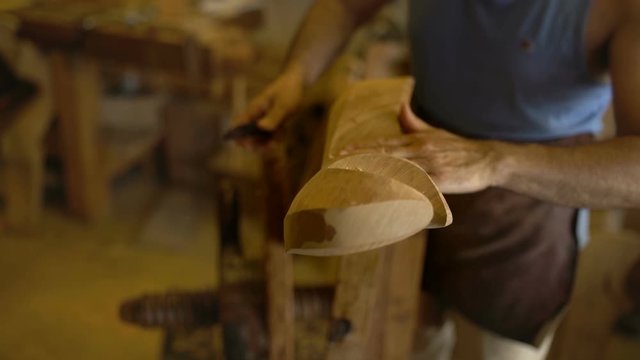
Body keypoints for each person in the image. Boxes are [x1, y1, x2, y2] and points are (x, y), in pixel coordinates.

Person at [232, 0, 640, 358]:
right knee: (405, 339)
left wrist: (496, 162)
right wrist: (297, 76)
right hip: (416, 170)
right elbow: (345, 5)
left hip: (526, 210)